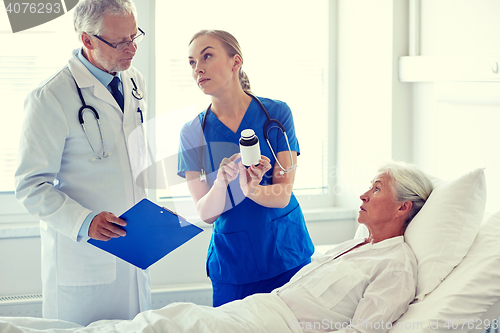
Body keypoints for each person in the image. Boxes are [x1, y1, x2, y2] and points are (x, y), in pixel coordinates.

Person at [1, 161, 433, 333]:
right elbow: (206, 209)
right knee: (159, 322)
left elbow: (365, 332)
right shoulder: (354, 245)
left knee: (159, 328)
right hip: (258, 310)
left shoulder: (396, 265)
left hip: (272, 325)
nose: (362, 195)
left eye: (375, 189)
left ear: (402, 207)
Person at [14, 0, 150, 326]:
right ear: (87, 40)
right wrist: (85, 222)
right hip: (85, 259)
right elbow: (31, 186)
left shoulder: (134, 82)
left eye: (135, 36)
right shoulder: (50, 97)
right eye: (119, 42)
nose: (131, 48)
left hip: (135, 247)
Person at [177, 30, 315, 307]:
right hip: (233, 264)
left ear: (235, 61)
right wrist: (221, 184)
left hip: (285, 254)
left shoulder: (276, 114)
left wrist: (249, 189)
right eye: (192, 62)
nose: (198, 68)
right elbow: (206, 213)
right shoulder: (193, 132)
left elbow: (283, 194)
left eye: (207, 56)